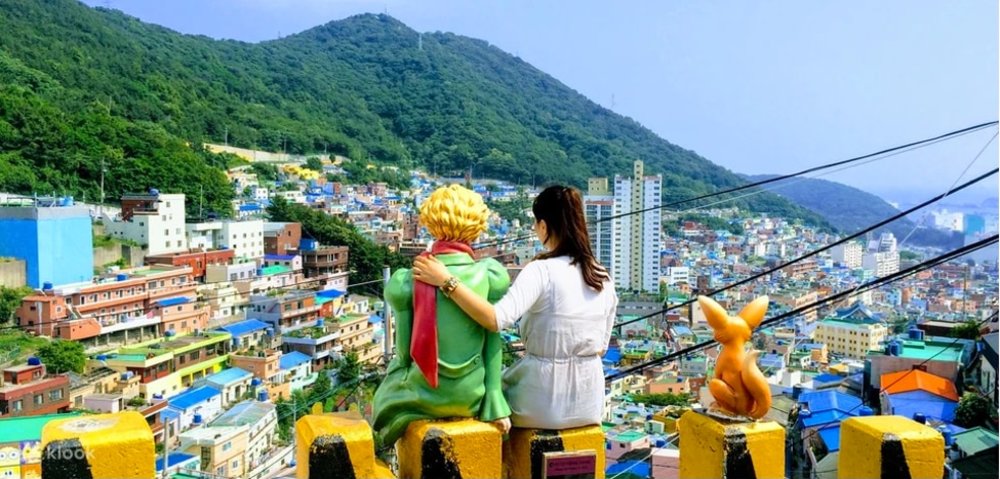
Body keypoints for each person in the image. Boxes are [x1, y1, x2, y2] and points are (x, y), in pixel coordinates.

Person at [413, 185, 618, 430]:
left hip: (543, 399)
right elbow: (601, 349)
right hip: (589, 402)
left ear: (543, 226)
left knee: (482, 399)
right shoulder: (601, 275)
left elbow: (496, 319)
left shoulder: (542, 270)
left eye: (535, 223)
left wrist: (446, 281)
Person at [372, 185, 512, 447]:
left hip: (424, 394)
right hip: (472, 395)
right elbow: (493, 341)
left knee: (383, 399)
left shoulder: (408, 280)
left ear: (430, 221)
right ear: (477, 225)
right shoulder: (489, 275)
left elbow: (404, 354)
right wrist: (494, 396)